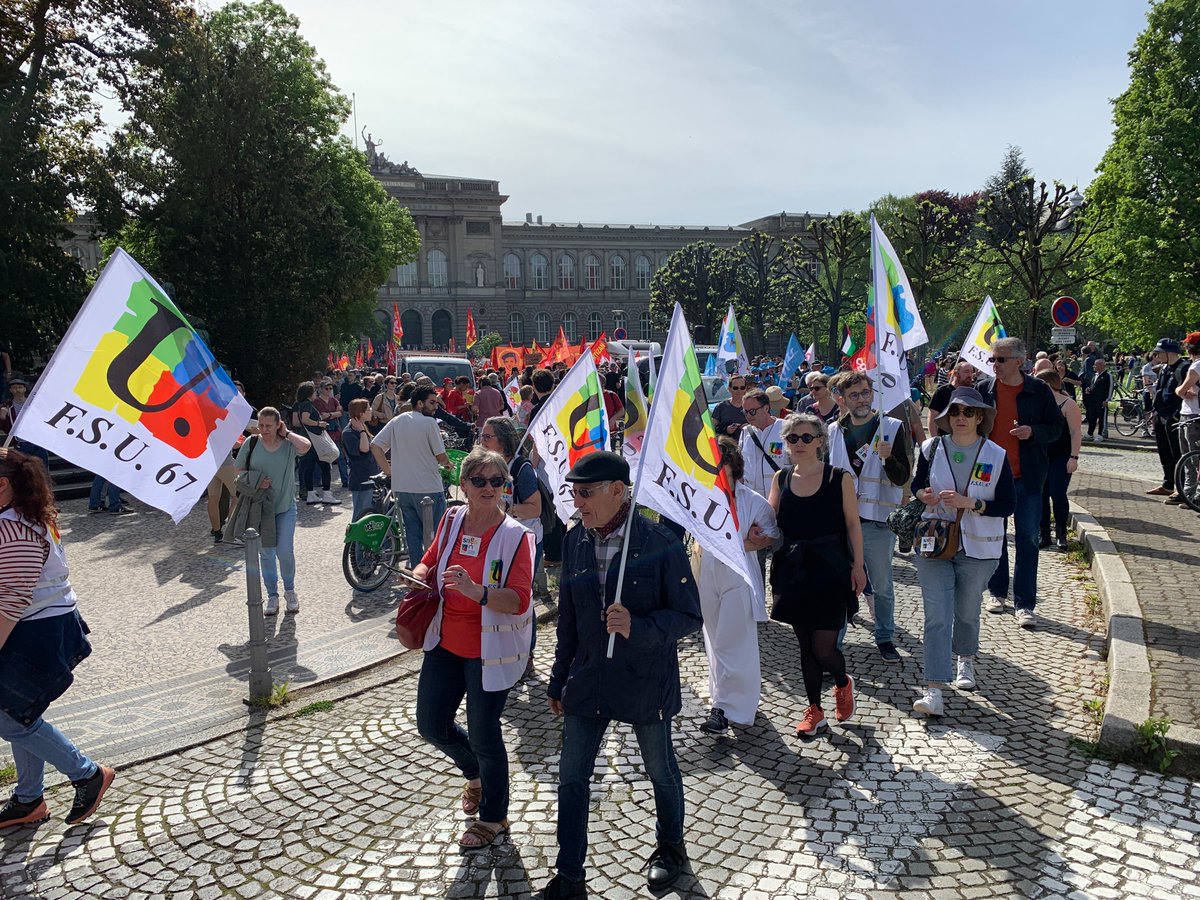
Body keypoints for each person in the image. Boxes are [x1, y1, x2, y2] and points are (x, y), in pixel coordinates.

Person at [542, 452, 702, 898]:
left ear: (618, 489)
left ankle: (671, 848)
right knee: (572, 776)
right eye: (574, 493)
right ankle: (570, 873)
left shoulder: (658, 540)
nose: (578, 502)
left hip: (644, 677)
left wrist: (639, 627)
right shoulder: (575, 540)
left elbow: (690, 617)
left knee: (660, 770)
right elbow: (569, 622)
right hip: (588, 677)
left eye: (587, 493)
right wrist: (558, 679)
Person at [410, 448, 533, 850]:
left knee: (484, 734)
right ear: (462, 485)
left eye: (496, 481)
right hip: (445, 641)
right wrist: (418, 575)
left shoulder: (516, 536)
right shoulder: (451, 518)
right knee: (430, 724)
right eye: (478, 480)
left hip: (489, 650)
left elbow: (519, 599)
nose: (488, 488)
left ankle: (494, 817)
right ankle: (474, 773)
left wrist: (476, 591)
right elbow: (430, 559)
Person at [0, 448, 117, 829]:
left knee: (10, 716)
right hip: (40, 624)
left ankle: (86, 773)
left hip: (35, 631)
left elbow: (11, 602)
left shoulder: (14, 528)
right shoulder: (19, 516)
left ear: (3, 485)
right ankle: (29, 799)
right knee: (22, 711)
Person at [910, 389, 1016, 716]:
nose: (960, 418)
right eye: (955, 411)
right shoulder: (931, 447)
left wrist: (973, 503)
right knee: (937, 616)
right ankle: (934, 690)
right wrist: (923, 495)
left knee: (967, 611)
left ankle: (965, 659)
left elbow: (1008, 505)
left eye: (968, 413)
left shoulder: (996, 454)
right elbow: (917, 486)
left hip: (978, 548)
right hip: (935, 542)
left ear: (980, 417)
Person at [767, 413, 865, 738]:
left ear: (820, 442)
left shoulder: (839, 478)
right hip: (794, 570)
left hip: (831, 569)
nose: (799, 444)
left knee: (824, 648)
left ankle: (842, 681)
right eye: (793, 438)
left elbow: (853, 524)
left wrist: (859, 565)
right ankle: (815, 711)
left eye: (807, 437)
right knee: (805, 647)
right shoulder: (780, 478)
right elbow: (769, 521)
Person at [974, 338, 1063, 628]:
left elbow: (1056, 428)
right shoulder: (984, 389)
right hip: (991, 477)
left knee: (1027, 540)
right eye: (993, 360)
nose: (994, 365)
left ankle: (1025, 604)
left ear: (1019, 361)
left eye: (1000, 359)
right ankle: (997, 592)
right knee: (994, 538)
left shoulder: (1038, 390)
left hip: (1027, 476)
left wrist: (1033, 432)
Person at [826, 371, 912, 662]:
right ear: (843, 399)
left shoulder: (891, 427)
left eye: (865, 393)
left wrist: (889, 459)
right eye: (854, 395)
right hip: (839, 520)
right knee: (838, 583)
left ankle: (885, 637)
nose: (861, 399)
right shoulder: (832, 431)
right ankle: (834, 642)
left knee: (882, 584)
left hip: (877, 520)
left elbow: (902, 478)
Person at [697, 438, 779, 735]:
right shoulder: (701, 497)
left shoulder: (751, 500)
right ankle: (724, 698)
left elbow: (771, 532)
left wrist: (749, 541)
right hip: (708, 572)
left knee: (735, 642)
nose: (717, 472)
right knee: (715, 640)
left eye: (722, 466)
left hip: (738, 577)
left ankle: (726, 709)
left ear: (734, 467)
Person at [233, 407, 311, 615]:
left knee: (284, 551)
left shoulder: (287, 445)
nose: (264, 429)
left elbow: (307, 446)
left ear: (278, 425)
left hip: (285, 507)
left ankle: (290, 591)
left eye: (268, 426)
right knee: (266, 554)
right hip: (260, 509)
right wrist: (257, 482)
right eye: (261, 425)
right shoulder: (251, 444)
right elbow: (239, 472)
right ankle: (272, 595)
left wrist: (287, 433)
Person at [371, 385, 451, 558]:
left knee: (412, 537)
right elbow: (440, 456)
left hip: (402, 487)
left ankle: (417, 577)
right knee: (436, 536)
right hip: (428, 488)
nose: (436, 406)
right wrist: (448, 463)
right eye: (432, 403)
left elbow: (376, 446)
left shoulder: (397, 420)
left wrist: (390, 472)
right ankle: (431, 576)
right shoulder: (430, 423)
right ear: (420, 403)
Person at [1034, 370, 1082, 550]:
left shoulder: (1068, 404)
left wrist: (1074, 457)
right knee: (1041, 495)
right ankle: (1044, 532)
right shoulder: (1037, 404)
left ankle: (1061, 533)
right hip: (1040, 456)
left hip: (1061, 456)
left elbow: (1076, 432)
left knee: (1058, 493)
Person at [1148, 338, 1190, 500]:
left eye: (1159, 352)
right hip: (1160, 415)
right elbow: (1159, 391)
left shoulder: (1183, 368)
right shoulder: (1165, 368)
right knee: (1164, 452)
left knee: (1177, 453)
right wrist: (1154, 411)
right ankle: (1167, 484)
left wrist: (1176, 415)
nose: (1156, 356)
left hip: (1174, 416)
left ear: (1169, 353)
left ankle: (1181, 487)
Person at [294, 382, 339, 506]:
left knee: (309, 468)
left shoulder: (301, 404)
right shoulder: (308, 405)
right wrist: (319, 423)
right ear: (309, 394)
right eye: (313, 391)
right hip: (315, 441)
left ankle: (311, 494)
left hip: (308, 440)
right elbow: (305, 419)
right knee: (325, 466)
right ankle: (327, 494)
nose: (315, 393)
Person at [738, 388, 786, 499]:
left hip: (779, 498)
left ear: (766, 408)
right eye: (745, 412)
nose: (749, 416)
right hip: (752, 499)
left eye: (752, 411)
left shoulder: (785, 429)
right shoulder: (746, 432)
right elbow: (740, 465)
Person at [342, 398, 380, 521]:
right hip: (361, 480)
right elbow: (364, 449)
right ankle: (354, 541)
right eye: (368, 409)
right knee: (361, 516)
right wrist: (363, 431)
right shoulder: (349, 432)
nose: (371, 411)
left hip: (371, 477)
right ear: (360, 413)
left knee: (372, 516)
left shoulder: (362, 427)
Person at [1174, 333, 1200, 503]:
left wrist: (1180, 391)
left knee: (1191, 458)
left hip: (1192, 414)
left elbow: (1181, 390)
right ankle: (1191, 495)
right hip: (1193, 413)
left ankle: (1191, 495)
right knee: (1192, 458)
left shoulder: (1196, 367)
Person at [928, 360, 977, 435]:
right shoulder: (943, 391)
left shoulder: (974, 392)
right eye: (966, 372)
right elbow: (932, 418)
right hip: (945, 439)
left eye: (971, 372)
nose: (970, 375)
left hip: (968, 440)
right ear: (956, 373)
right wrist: (935, 440)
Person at [314, 379, 348, 488]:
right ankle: (317, 479)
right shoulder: (317, 401)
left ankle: (345, 480)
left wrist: (329, 415)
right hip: (324, 432)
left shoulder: (333, 400)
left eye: (330, 388)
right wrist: (334, 414)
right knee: (323, 455)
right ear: (321, 389)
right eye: (326, 388)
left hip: (335, 431)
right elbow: (321, 415)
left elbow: (340, 413)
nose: (329, 390)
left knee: (340, 455)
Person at [1082, 357, 1113, 441]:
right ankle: (1090, 433)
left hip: (1101, 401)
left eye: (1095, 364)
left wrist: (1107, 399)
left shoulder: (1107, 375)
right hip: (1092, 400)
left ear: (1101, 365)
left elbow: (1110, 388)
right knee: (1092, 417)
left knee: (1101, 418)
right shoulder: (1094, 375)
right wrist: (1089, 389)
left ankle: (1100, 434)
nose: (1094, 366)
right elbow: (1093, 385)